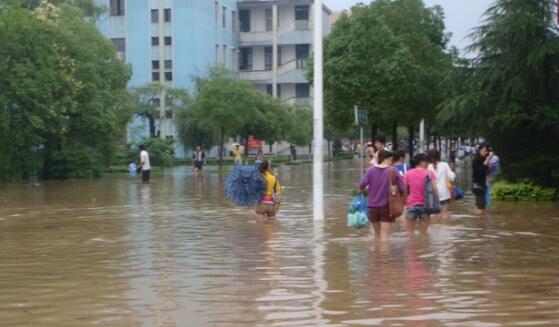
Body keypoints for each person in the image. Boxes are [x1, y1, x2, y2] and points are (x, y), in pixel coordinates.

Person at [358, 150, 406, 241]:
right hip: (386, 207)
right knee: (385, 236)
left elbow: (361, 187)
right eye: (391, 159)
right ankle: (383, 255)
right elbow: (402, 187)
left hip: (371, 207)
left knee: (377, 234)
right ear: (388, 158)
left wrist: (362, 196)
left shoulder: (370, 170)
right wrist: (403, 200)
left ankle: (376, 254)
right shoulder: (392, 170)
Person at [404, 153, 439, 235]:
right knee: (424, 233)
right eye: (427, 162)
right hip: (426, 206)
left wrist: (405, 200)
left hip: (411, 205)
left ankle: (410, 247)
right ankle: (423, 247)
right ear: (421, 162)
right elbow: (435, 189)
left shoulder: (408, 173)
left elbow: (404, 190)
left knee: (409, 233)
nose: (428, 164)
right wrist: (437, 201)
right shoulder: (430, 173)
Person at [427, 149, 456, 219]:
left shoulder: (428, 167)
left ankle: (434, 229)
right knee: (445, 214)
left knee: (433, 215)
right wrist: (452, 171)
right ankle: (444, 229)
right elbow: (451, 177)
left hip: (432, 193)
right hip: (444, 193)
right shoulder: (445, 165)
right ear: (439, 156)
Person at [472, 144, 493, 215]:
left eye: (486, 151)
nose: (486, 152)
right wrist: (487, 160)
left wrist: (487, 161)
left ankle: (476, 222)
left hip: (481, 185)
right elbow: (480, 171)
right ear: (479, 150)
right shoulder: (477, 160)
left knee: (478, 205)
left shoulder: (482, 159)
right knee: (481, 207)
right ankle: (479, 224)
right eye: (484, 151)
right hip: (479, 185)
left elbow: (486, 170)